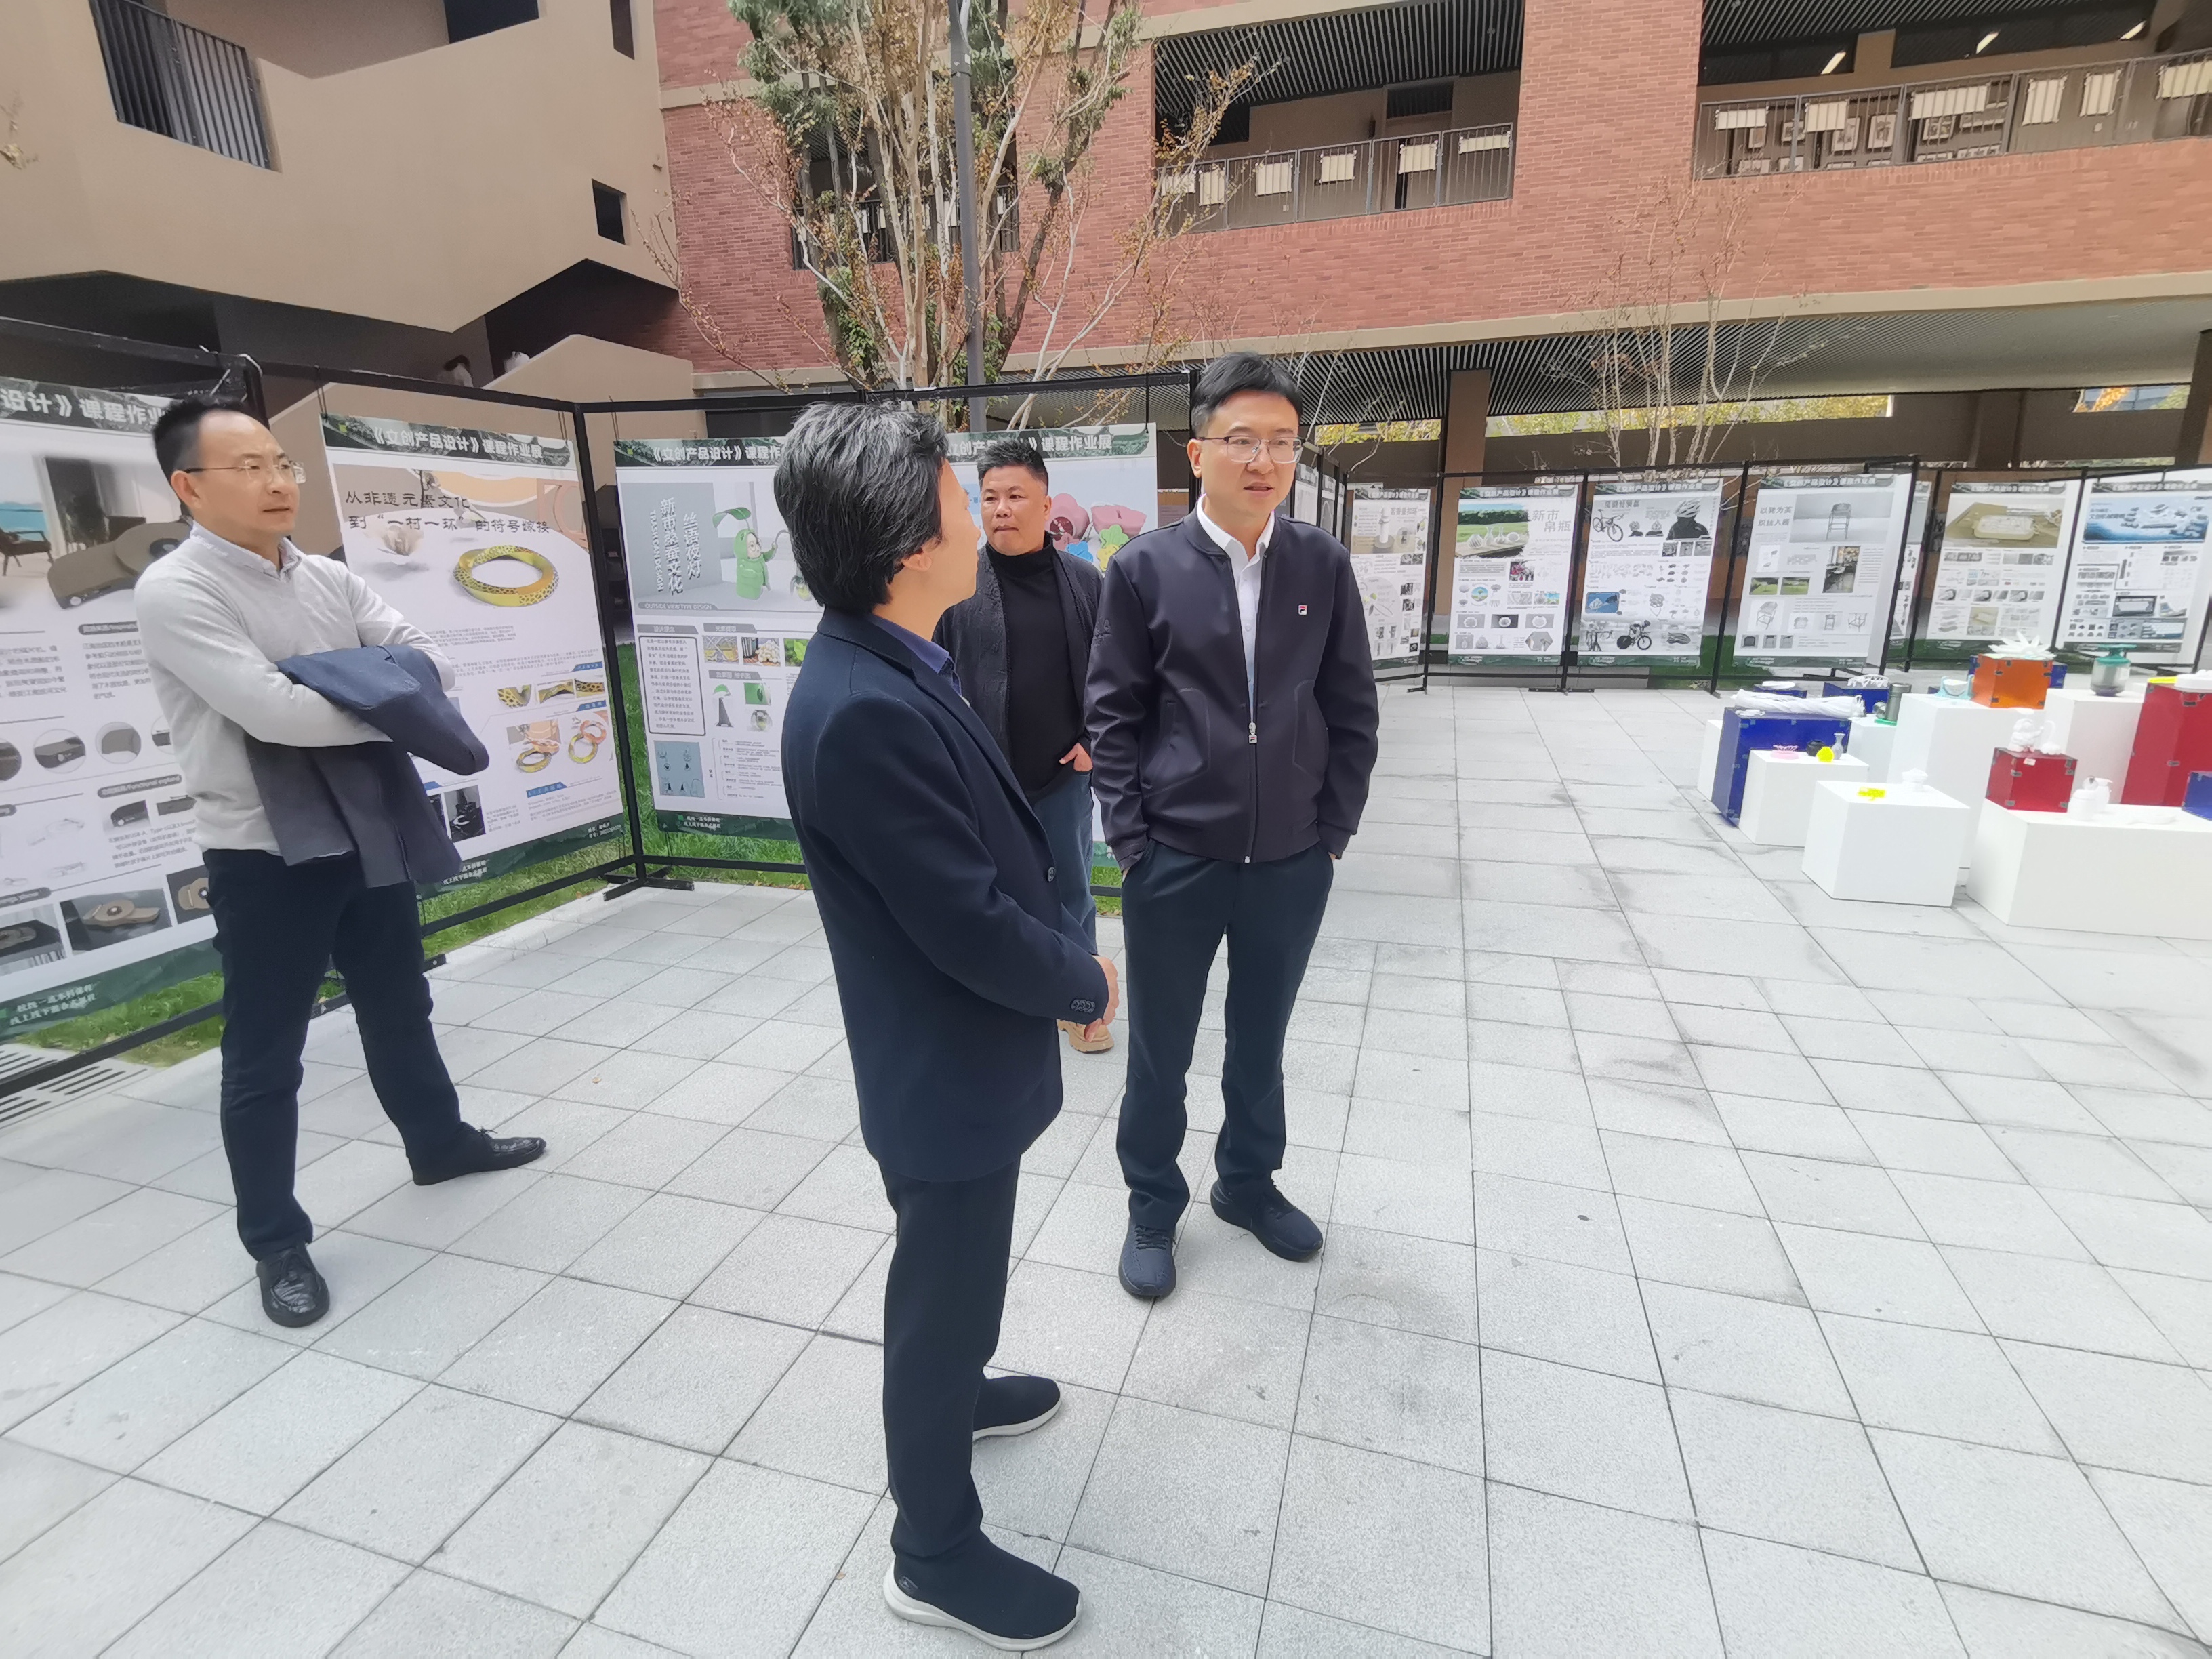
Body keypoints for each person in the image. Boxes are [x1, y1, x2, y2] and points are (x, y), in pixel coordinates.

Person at [776, 402, 1117, 1652]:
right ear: (910, 542)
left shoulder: (899, 654)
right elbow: (964, 920)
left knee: (966, 1273)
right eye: (963, 500)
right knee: (940, 1287)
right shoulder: (861, 706)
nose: (983, 517)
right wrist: (1082, 980)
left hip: (963, 1055)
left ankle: (962, 1389)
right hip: (942, 1065)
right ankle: (931, 1551)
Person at [134, 397, 544, 1329]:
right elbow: (272, 713)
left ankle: (439, 1143)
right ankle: (275, 1241)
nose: (277, 481)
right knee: (266, 1053)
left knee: (400, 1001)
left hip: (366, 822)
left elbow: (428, 662)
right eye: (248, 467)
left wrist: (346, 685)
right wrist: (382, 699)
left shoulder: (326, 576)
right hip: (264, 850)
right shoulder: (177, 590)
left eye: (281, 463)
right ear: (188, 486)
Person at [1086, 352, 1379, 1300]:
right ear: (1198, 450)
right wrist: (1133, 842)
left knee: (1261, 1043)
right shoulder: (1143, 568)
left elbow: (1352, 704)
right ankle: (1151, 1204)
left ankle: (1247, 1185)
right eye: (1243, 440)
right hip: (1175, 857)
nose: (1264, 461)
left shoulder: (1321, 563)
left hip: (1291, 859)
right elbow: (1112, 716)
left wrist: (1331, 829)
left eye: (1282, 443)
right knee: (1160, 1052)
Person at [934, 434, 1109, 1054]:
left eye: (1015, 496)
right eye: (990, 497)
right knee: (990, 894)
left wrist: (1093, 741)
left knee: (1073, 893)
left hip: (1063, 775)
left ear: (1046, 504)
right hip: (984, 778)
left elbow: (1113, 673)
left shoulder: (1085, 581)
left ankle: (1083, 1003)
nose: (1001, 509)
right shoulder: (956, 582)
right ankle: (1001, 1001)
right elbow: (931, 672)